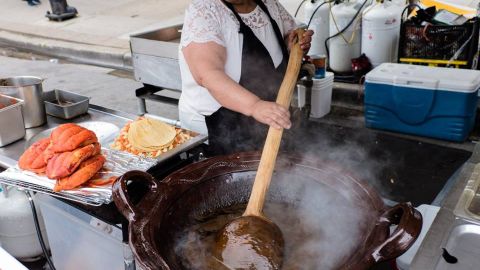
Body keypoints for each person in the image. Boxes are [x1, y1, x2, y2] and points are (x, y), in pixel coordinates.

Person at [179, 0, 313, 155]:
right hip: (220, 129)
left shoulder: (268, 4)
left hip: (266, 120)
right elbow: (208, 75)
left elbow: (291, 33)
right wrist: (255, 106)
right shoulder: (203, 12)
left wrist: (293, 44)